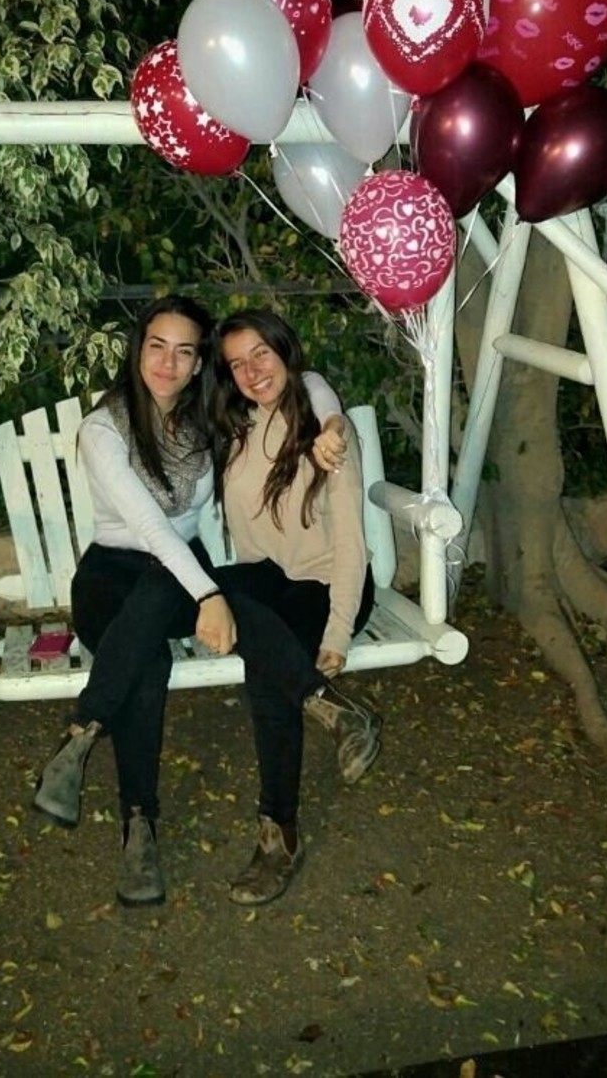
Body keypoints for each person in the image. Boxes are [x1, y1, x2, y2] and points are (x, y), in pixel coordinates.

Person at [31, 294, 347, 909]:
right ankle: (138, 828)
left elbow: (304, 383)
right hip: (112, 575)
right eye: (157, 346)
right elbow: (150, 526)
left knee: (185, 615)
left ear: (200, 363)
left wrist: (333, 423)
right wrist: (207, 592)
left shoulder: (209, 421)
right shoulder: (103, 429)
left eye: (184, 352)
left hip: (179, 573)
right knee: (148, 660)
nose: (168, 363)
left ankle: (79, 739)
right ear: (138, 350)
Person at [210, 308, 382, 906]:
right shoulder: (236, 427)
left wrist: (338, 631)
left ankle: (277, 834)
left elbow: (352, 543)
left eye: (261, 353)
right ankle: (331, 707)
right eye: (237, 363)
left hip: (328, 584)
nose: (252, 371)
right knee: (203, 589)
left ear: (284, 350)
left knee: (265, 670)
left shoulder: (326, 433)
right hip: (270, 580)